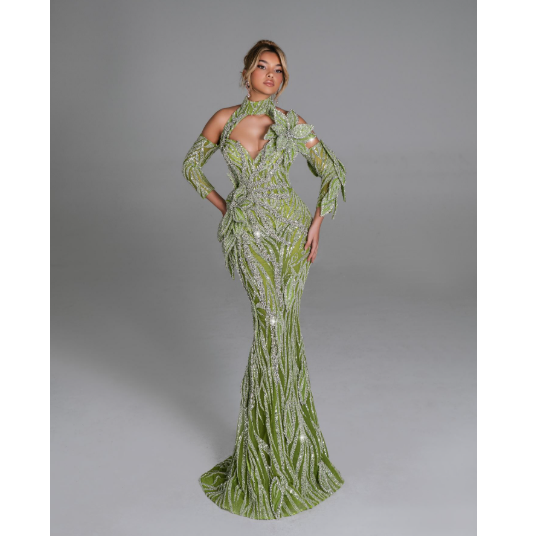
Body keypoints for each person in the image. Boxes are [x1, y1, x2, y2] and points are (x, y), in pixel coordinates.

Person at [181, 39, 347, 520]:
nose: (271, 74)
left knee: (284, 328)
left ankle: (294, 449)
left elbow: (331, 171)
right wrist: (227, 208)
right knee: (270, 324)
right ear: (246, 73)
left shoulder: (291, 123)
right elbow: (191, 166)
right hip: (249, 234)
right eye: (262, 66)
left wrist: (316, 224)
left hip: (290, 235)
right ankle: (264, 450)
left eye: (278, 69)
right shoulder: (223, 119)